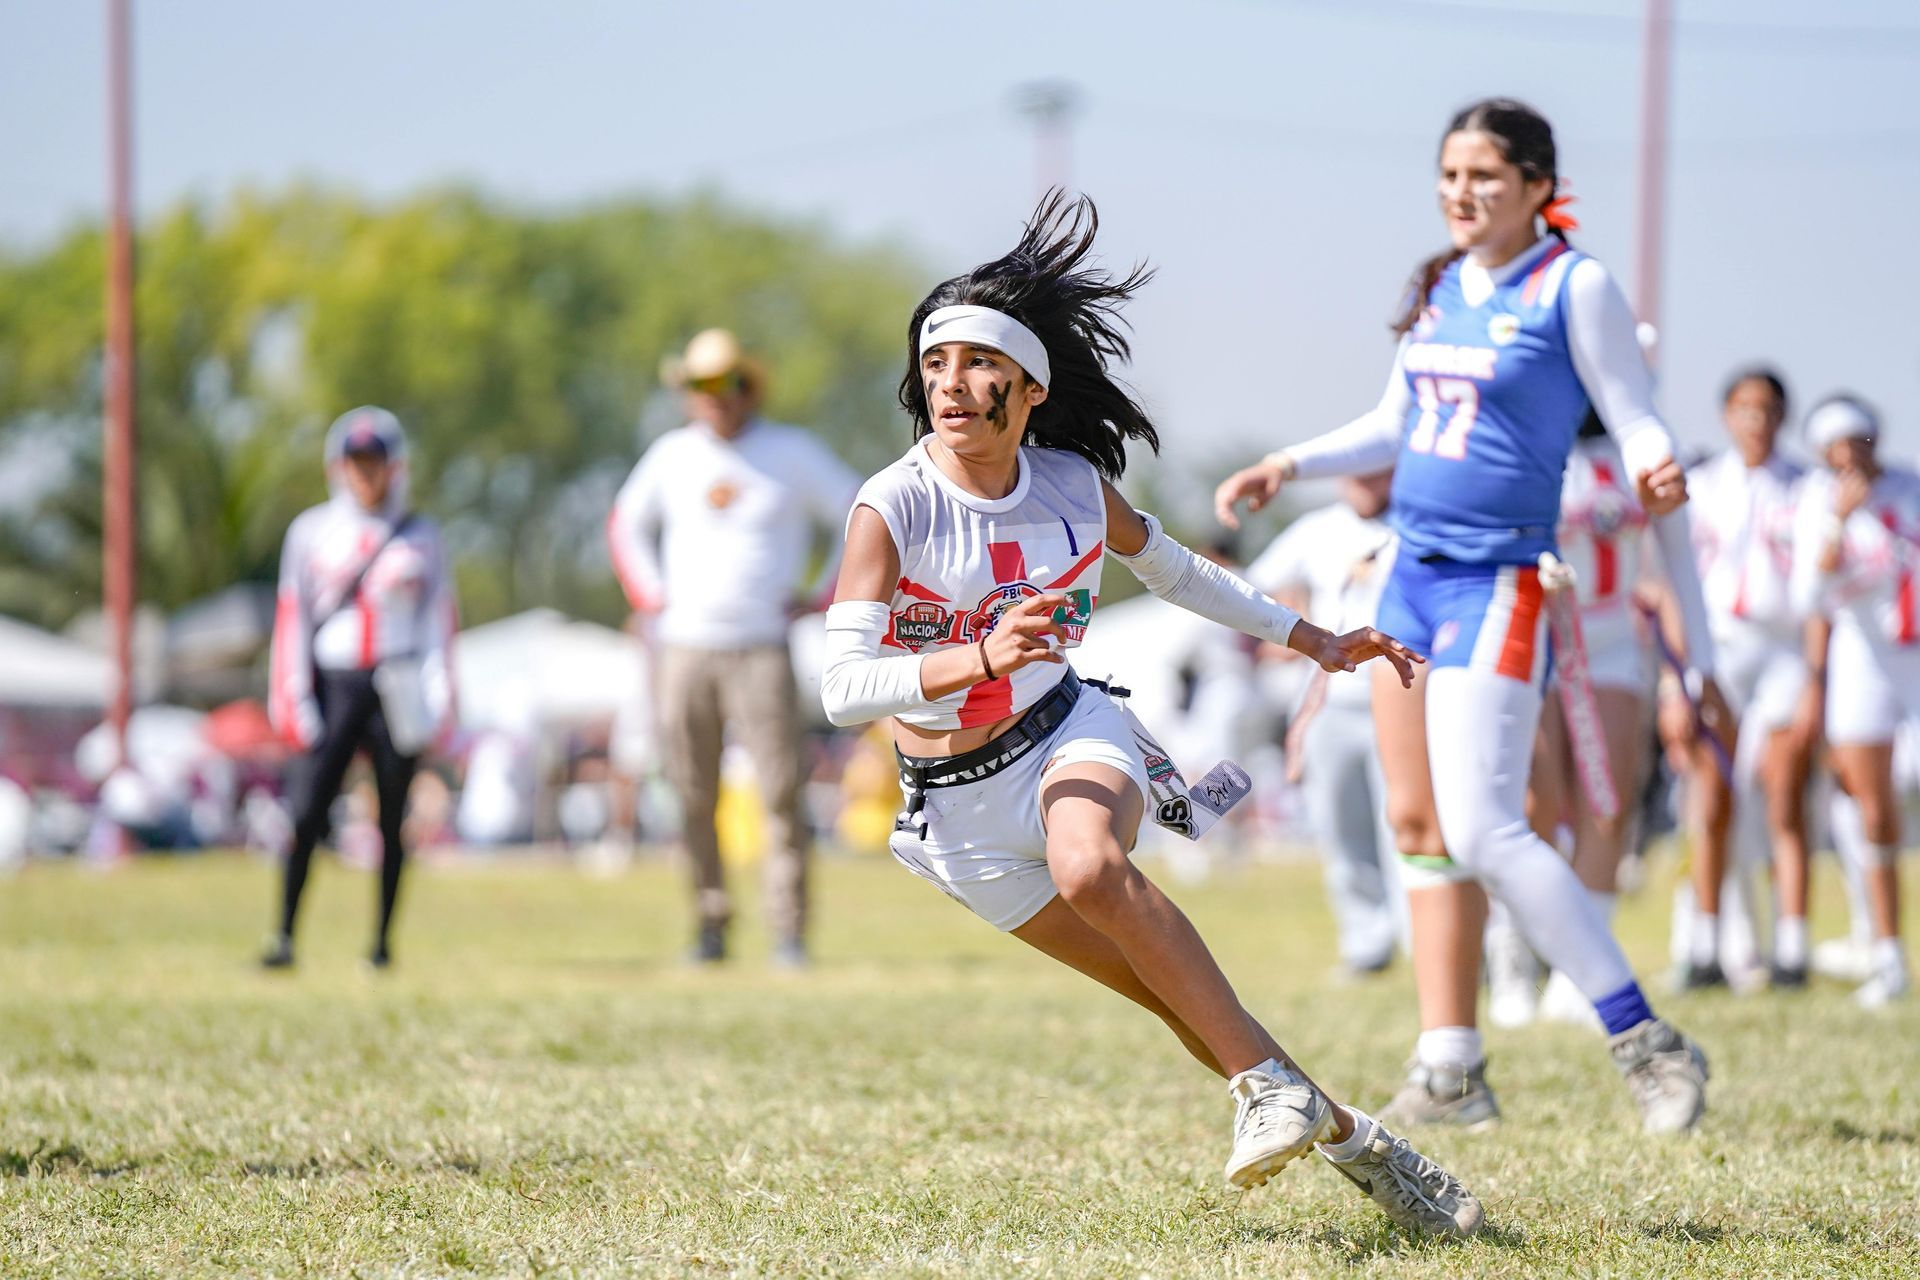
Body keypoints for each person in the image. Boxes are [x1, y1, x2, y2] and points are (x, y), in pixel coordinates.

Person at [823, 192, 1480, 1238]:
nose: (949, 383)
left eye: (976, 362)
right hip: (953, 818)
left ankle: (1289, 1097)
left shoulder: (1076, 485)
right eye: (934, 363)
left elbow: (1177, 573)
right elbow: (840, 685)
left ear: (1030, 387)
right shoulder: (890, 504)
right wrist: (976, 654)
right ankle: (1361, 1140)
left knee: (1091, 867)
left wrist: (1312, 638)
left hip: (1065, 734)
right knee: (1185, 1005)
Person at [1214, 98, 1723, 1135]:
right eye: (1450, 174)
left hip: (1500, 583)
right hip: (1410, 580)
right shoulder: (1445, 285)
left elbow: (1636, 418)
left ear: (1539, 185)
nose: (1462, 192)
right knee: (1421, 827)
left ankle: (1646, 1040)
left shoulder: (1574, 284)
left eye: (1486, 175)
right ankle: (1451, 1065)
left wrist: (1656, 459)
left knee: (1490, 826)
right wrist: (1290, 464)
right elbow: (1394, 422)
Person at [608, 328, 861, 968]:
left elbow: (859, 514)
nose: (715, 398)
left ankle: (788, 931)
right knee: (691, 793)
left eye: (726, 384)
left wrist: (822, 591)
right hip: (684, 647)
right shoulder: (671, 455)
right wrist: (652, 595)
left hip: (761, 646)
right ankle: (709, 921)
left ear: (750, 388)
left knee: (781, 791)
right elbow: (625, 525)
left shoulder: (791, 452)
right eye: (701, 385)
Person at [264, 407, 457, 970]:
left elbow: (438, 621)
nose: (366, 473)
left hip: (396, 681)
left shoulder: (422, 537)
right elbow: (292, 618)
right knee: (305, 813)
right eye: (357, 461)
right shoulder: (311, 532)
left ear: (395, 467)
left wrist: (439, 693)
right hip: (336, 681)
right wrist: (293, 695)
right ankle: (284, 935)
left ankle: (381, 943)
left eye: (376, 462)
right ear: (339, 466)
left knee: (393, 818)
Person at [1492, 411, 1660, 1028]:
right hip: (1533, 635)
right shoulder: (1520, 436)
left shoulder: (1641, 446)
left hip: (1611, 640)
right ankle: (1513, 954)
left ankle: (1581, 972)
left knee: (1606, 803)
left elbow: (1670, 550)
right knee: (1529, 806)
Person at [1672, 367, 1815, 988]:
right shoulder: (1702, 485)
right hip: (1719, 651)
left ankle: (1792, 946)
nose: (1755, 420)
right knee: (1713, 797)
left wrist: (1815, 675)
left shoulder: (1806, 488)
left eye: (1767, 409)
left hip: (1780, 649)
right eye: (1743, 408)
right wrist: (1677, 679)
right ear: (1727, 415)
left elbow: (1817, 593)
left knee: (1783, 794)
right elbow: (1675, 583)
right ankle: (1706, 946)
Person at [1247, 472, 1403, 975]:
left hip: (1398, 698)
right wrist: (1296, 621)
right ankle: (1367, 945)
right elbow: (1257, 583)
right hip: (1329, 701)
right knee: (1340, 825)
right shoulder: (1316, 529)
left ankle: (1425, 941)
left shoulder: (1413, 523)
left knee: (1404, 824)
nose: (1365, 479)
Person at [1789, 395, 1915, 1006]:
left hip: (1913, 658)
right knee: (1873, 812)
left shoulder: (1911, 489)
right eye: (1837, 447)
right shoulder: (1815, 501)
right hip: (1862, 664)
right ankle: (1888, 953)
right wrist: (1838, 521)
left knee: (1907, 785)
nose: (1851, 456)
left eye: (1859, 440)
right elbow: (1808, 594)